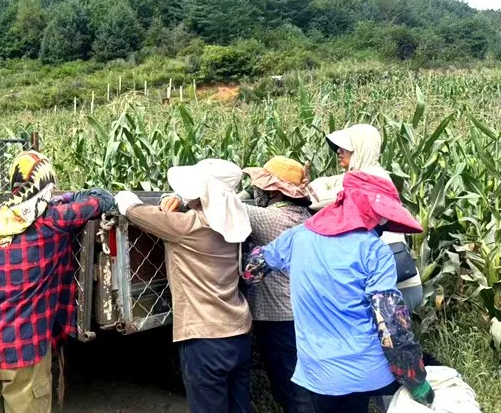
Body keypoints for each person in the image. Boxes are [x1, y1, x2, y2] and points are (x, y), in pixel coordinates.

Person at [242, 171, 434, 413]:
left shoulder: (296, 237)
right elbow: (392, 324)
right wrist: (415, 379)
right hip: (366, 372)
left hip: (316, 373)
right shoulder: (375, 250)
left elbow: (251, 271)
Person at [0, 150, 115, 413]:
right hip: (22, 348)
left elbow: (27, 208)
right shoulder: (52, 222)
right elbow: (101, 200)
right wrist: (71, 198)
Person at [161, 156, 311, 413]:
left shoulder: (267, 219)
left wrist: (180, 198)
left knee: (291, 392)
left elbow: (219, 205)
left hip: (279, 320)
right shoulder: (305, 215)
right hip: (301, 313)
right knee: (301, 385)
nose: (256, 190)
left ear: (273, 191)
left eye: (261, 187)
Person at [115, 159, 253, 413]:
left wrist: (126, 196)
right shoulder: (238, 223)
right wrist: (178, 199)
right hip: (239, 333)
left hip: (204, 339)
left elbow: (132, 209)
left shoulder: (187, 227)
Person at [308, 124, 423, 311]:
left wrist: (312, 186)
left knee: (386, 338)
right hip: (397, 276)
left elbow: (314, 199)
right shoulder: (369, 175)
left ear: (361, 148)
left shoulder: (367, 182)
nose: (338, 151)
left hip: (392, 283)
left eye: (345, 147)